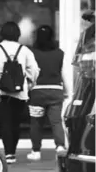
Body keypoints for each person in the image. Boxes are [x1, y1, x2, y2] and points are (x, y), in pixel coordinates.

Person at [0, 21, 39, 164]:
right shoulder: (24, 50)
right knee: (16, 124)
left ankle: (8, 154)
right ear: (17, 34)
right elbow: (34, 70)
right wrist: (30, 84)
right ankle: (13, 151)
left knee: (5, 123)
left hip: (1, 92)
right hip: (20, 93)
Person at [27, 25, 73, 161]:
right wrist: (68, 91)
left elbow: (30, 72)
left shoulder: (31, 52)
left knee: (36, 123)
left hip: (37, 92)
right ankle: (59, 146)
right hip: (55, 91)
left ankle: (36, 151)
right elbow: (63, 73)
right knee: (56, 121)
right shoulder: (60, 53)